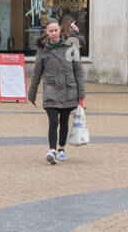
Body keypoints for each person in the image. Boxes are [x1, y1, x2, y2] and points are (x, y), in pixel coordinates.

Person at [28, 19, 85, 164]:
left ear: (60, 30)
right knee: (53, 121)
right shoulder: (43, 48)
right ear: (46, 32)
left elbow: (78, 70)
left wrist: (81, 94)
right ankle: (52, 151)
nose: (53, 33)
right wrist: (32, 93)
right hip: (51, 89)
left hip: (68, 89)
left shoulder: (71, 45)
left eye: (56, 30)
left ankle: (61, 149)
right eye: (50, 31)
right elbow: (37, 72)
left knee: (64, 121)